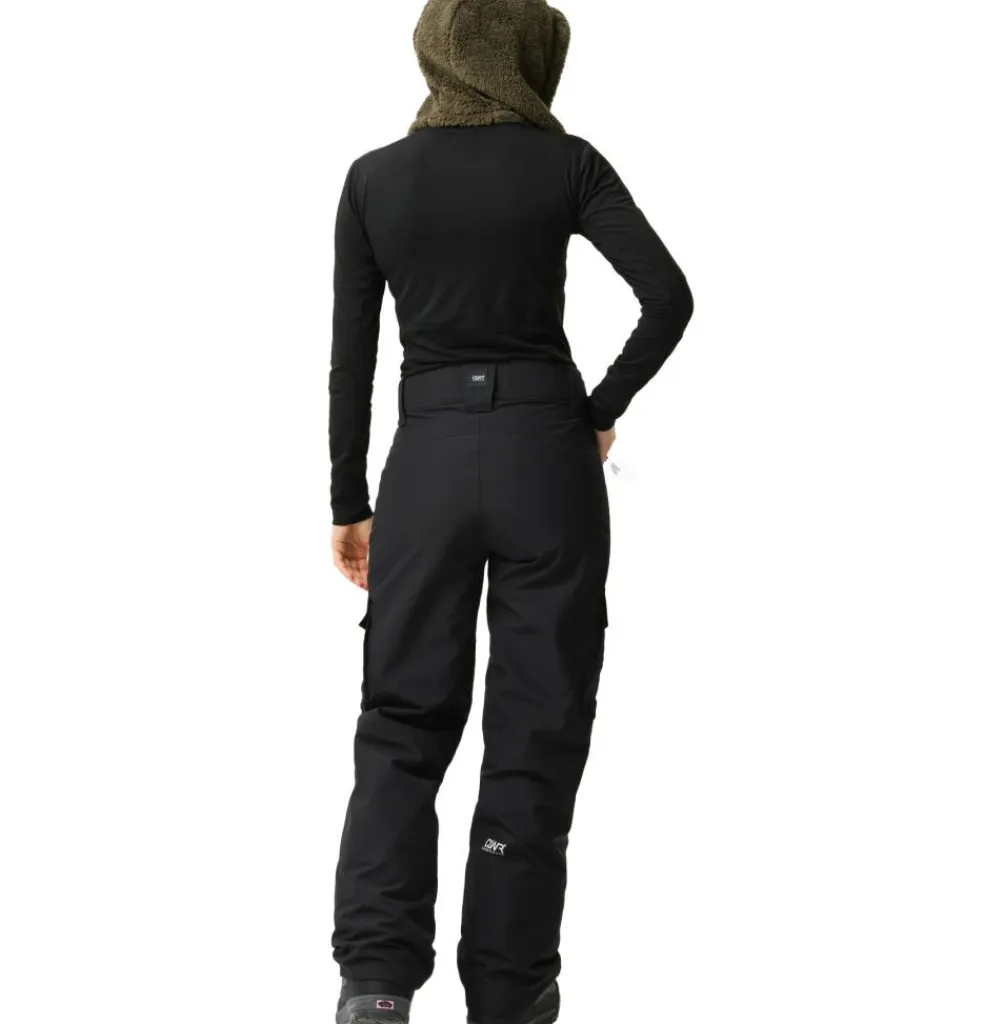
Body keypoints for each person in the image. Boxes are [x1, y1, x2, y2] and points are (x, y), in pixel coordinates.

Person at [328, 1, 693, 1021]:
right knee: (536, 726)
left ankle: (375, 984)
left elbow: (351, 358)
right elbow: (668, 297)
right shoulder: (566, 164)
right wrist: (597, 413)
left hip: (426, 461)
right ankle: (508, 987)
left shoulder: (374, 179)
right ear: (533, 57)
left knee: (401, 723)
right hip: (546, 459)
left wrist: (350, 501)